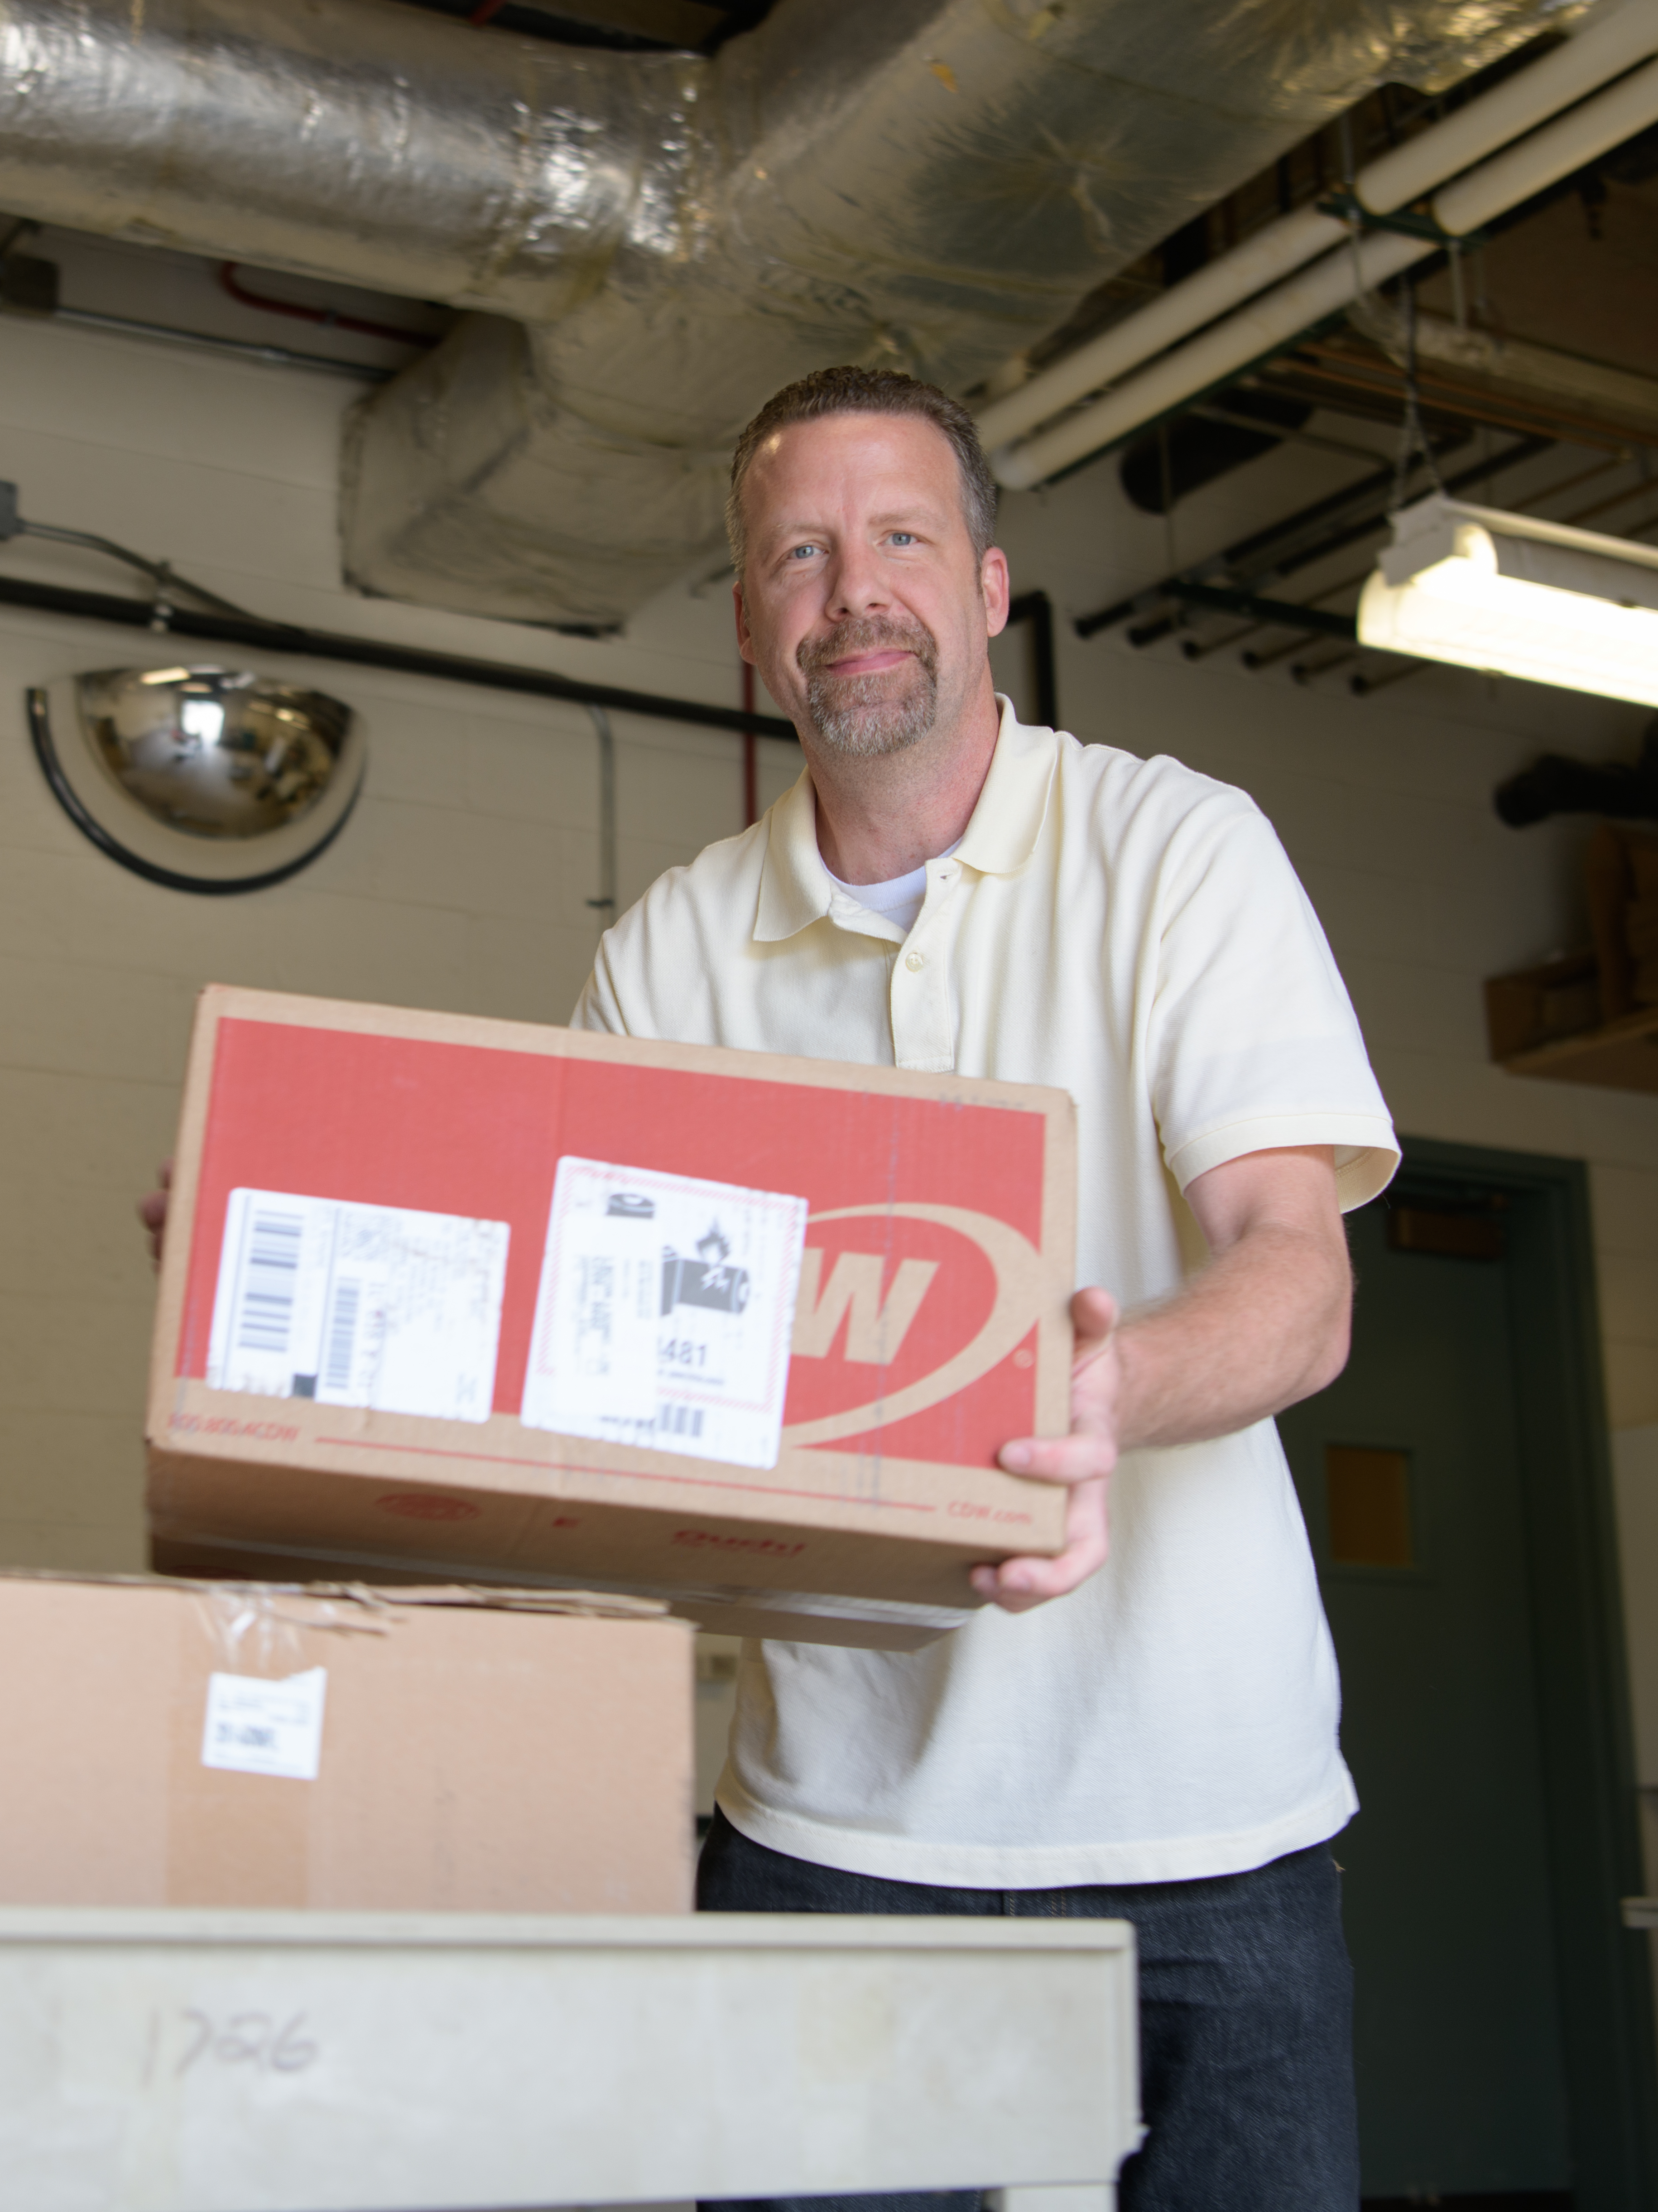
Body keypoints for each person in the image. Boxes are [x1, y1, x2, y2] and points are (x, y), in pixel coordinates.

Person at [581, 365, 1398, 2211]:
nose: (848, 588)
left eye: (896, 538)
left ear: (985, 586)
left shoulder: (1174, 849)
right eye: (796, 553)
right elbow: (592, 1356)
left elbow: (1295, 1277)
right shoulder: (669, 952)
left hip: (1210, 1828)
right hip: (828, 1840)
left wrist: (1079, 1407)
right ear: (743, 619)